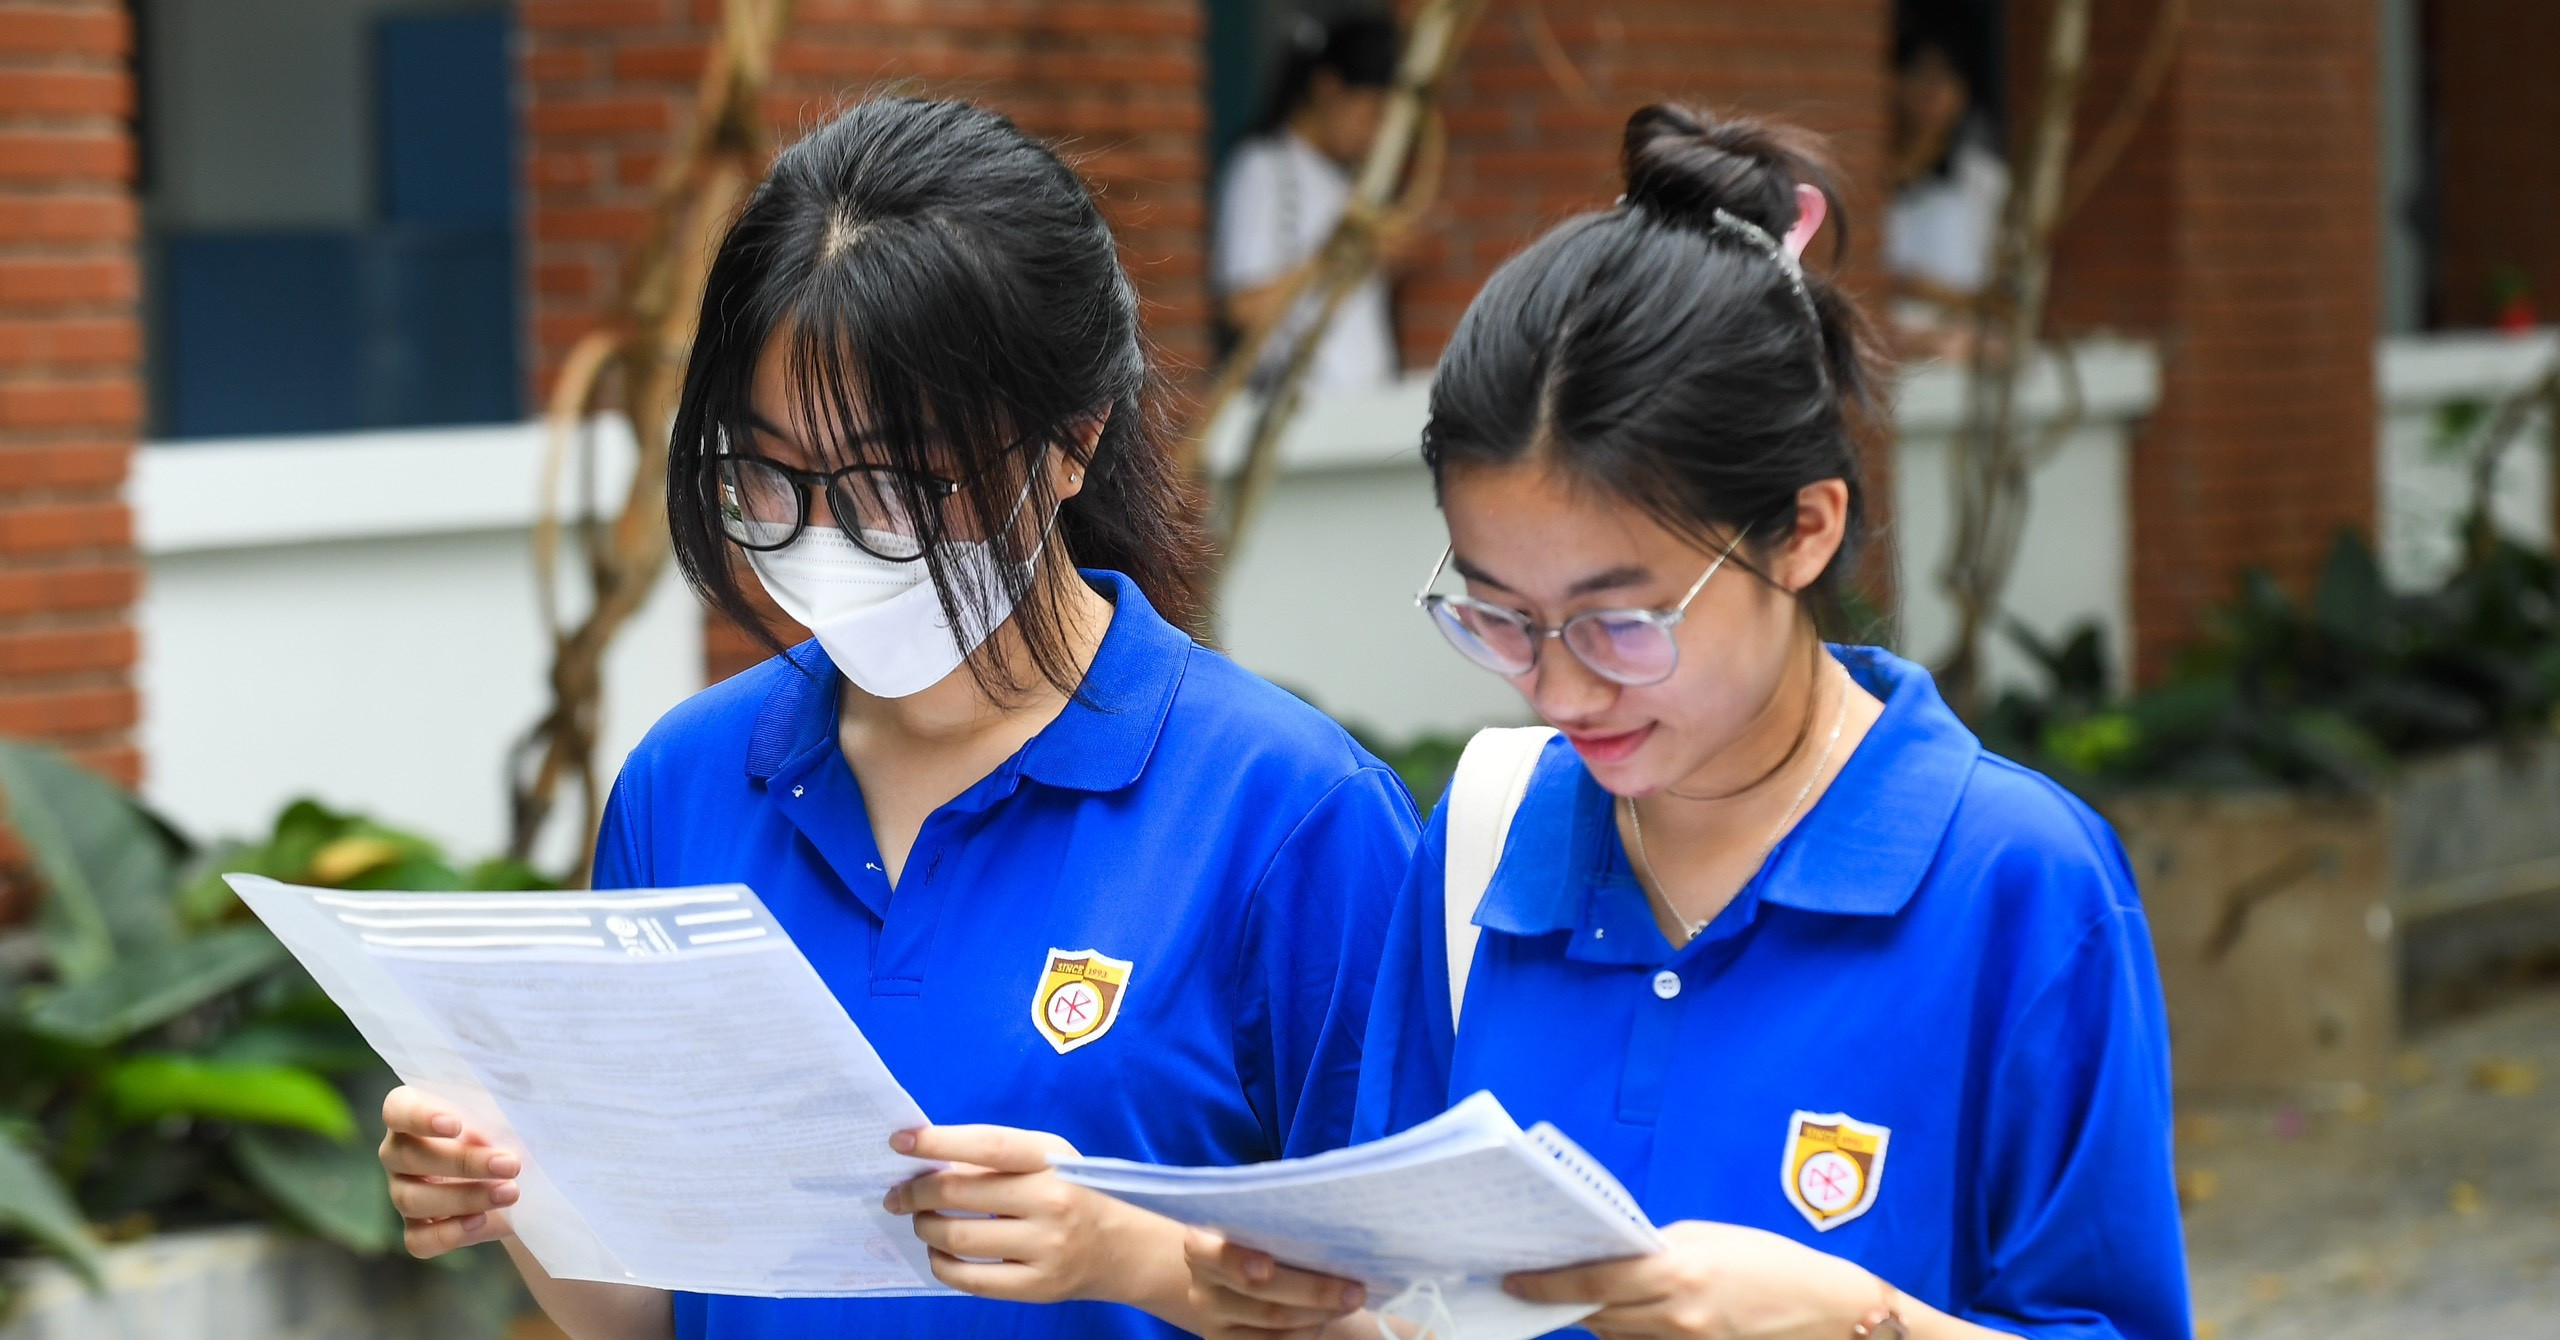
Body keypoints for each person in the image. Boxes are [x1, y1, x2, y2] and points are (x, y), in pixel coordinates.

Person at [372, 97, 1418, 1340]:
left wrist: (1134, 1258)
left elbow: (1411, 1319)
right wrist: (514, 1186)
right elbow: (648, 1308)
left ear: (1071, 442)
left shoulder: (1286, 812)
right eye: (763, 473)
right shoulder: (687, 784)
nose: (821, 535)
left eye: (891, 481)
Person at [1190, 105, 2190, 1340]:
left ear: (1804, 529)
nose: (1557, 692)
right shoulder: (1487, 844)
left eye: (1622, 623)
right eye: (1501, 617)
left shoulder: (2014, 883)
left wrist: (1864, 1321)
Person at [1212, 14, 1406, 392]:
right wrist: (1336, 260)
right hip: (1299, 412)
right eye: (1371, 113)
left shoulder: (1350, 181)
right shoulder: (1264, 168)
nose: (1375, 133)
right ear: (1329, 89)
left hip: (1370, 398)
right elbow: (1242, 307)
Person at [1884, 33, 2008, 358]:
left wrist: (1934, 294)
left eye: (1944, 78)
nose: (1931, 89)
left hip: (1959, 341)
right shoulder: (1871, 175)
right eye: (1919, 74)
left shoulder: (1984, 180)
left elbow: (2005, 293)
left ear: (1963, 93)